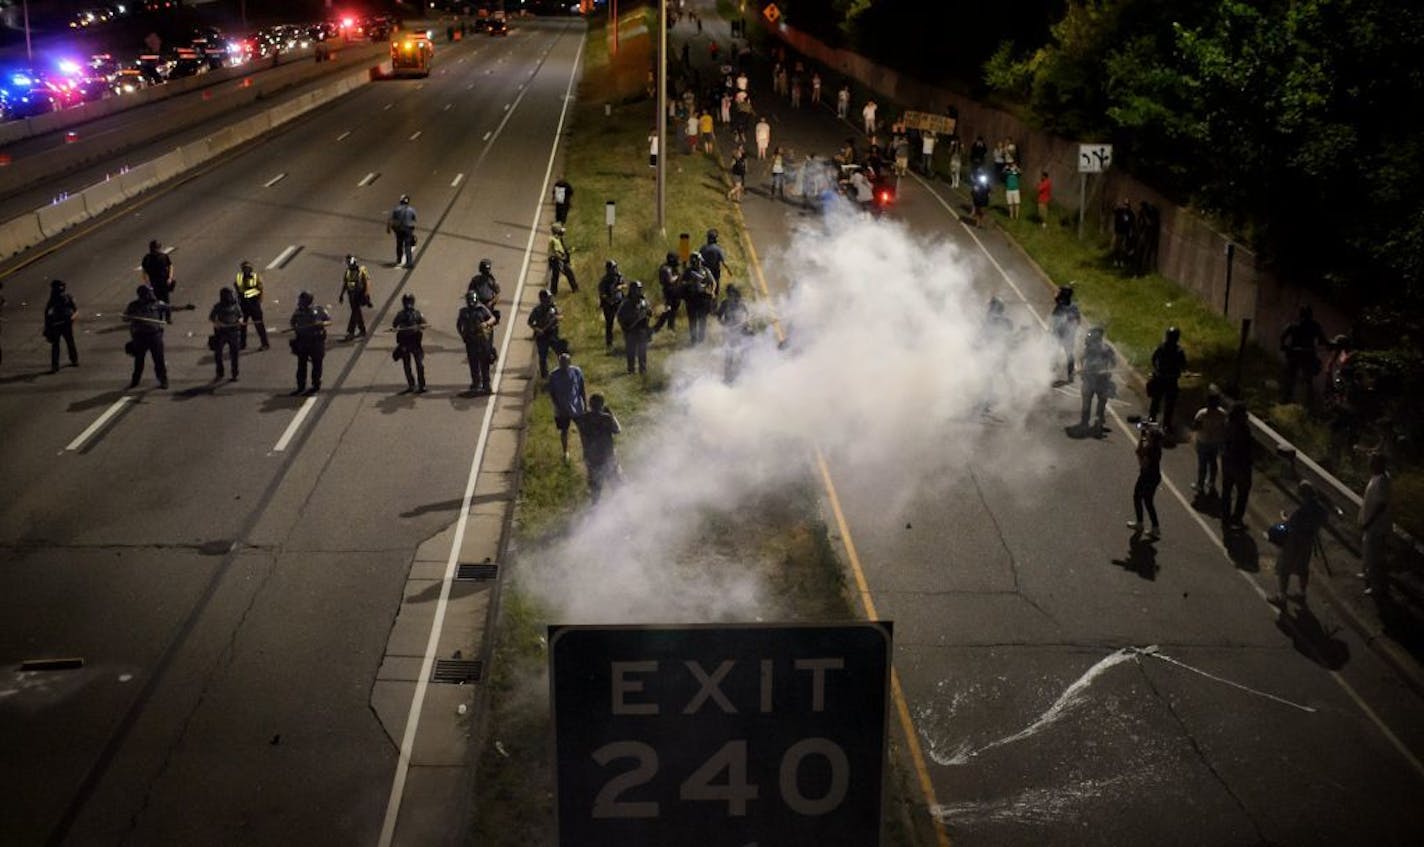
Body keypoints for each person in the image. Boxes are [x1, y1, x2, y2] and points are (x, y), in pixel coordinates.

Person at [1272, 481, 1328, 606]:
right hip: (1308, 541)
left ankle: (1282, 596)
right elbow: (1324, 521)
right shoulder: (1321, 509)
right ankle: (1302, 593)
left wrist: (1284, 517)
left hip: (1294, 541)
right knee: (1303, 568)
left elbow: (1290, 524)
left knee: (1284, 568)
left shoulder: (1300, 510)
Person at [575, 393, 621, 502]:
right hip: (607, 458)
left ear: (590, 404)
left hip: (591, 459)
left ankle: (595, 513)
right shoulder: (606, 418)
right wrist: (611, 414)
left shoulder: (583, 419)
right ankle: (622, 510)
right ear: (602, 405)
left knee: (595, 490)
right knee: (616, 486)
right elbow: (618, 429)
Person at [1358, 453, 1392, 598]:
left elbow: (1381, 505)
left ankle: (1377, 586)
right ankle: (1367, 574)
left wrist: (1369, 521)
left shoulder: (1382, 481)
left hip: (1377, 526)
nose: (1369, 465)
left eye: (1372, 462)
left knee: (1375, 556)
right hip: (1372, 525)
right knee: (1368, 551)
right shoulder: (1377, 477)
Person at [1279, 306, 1327, 404]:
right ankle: (1304, 402)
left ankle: (1288, 400)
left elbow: (1283, 336)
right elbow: (1322, 340)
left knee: (1293, 379)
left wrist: (1284, 346)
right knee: (1305, 380)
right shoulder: (1313, 326)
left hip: (1298, 354)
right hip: (1305, 355)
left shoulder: (1296, 325)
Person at [123, 285, 167, 390]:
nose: (151, 295)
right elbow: (125, 318)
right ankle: (135, 381)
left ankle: (163, 380)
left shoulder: (156, 304)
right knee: (139, 360)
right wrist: (129, 317)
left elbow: (169, 307)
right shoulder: (134, 305)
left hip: (154, 336)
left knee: (158, 360)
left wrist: (185, 307)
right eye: (149, 293)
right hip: (140, 337)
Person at [546, 351, 586, 462]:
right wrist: (558, 406)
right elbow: (552, 393)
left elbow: (582, 388)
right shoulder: (554, 375)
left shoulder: (577, 372)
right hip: (561, 409)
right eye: (561, 363)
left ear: (569, 362)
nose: (563, 365)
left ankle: (585, 450)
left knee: (582, 429)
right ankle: (565, 452)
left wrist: (585, 404)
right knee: (564, 430)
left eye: (565, 363)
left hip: (576, 406)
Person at [287, 290, 329, 395]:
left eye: (302, 300)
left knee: (317, 364)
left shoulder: (319, 310)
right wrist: (296, 328)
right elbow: (292, 322)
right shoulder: (298, 312)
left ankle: (316, 384)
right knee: (301, 365)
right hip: (303, 341)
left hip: (316, 342)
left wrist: (321, 323)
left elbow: (329, 321)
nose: (300, 302)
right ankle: (300, 386)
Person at [1219, 402, 1253, 528]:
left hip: (1227, 461)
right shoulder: (1243, 429)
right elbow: (1246, 447)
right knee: (1243, 493)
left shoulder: (1227, 424)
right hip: (1240, 464)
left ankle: (1225, 516)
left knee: (1227, 490)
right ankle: (1236, 518)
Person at [457, 290, 497, 394]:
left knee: (484, 363)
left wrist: (486, 323)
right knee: (473, 363)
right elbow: (459, 326)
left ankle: (486, 385)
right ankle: (476, 383)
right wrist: (463, 336)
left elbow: (493, 318)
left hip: (482, 341)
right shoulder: (463, 312)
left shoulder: (482, 309)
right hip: (470, 341)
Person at [1148, 327, 1187, 434]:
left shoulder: (1162, 347)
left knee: (1157, 402)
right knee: (1168, 404)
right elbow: (1183, 365)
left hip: (1162, 378)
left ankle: (1153, 420)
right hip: (1170, 380)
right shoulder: (1178, 350)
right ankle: (1164, 424)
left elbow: (1153, 359)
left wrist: (1156, 370)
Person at [1128, 423, 1164, 538]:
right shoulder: (1156, 448)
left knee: (1137, 497)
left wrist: (1139, 456)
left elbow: (1144, 465)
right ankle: (1155, 527)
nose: (1146, 435)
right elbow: (1140, 451)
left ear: (1152, 438)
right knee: (1148, 501)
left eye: (1148, 434)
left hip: (1147, 477)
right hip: (1154, 477)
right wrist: (1140, 442)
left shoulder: (1150, 449)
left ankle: (1140, 523)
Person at [1079, 326, 1116, 435]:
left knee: (1101, 402)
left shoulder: (1106, 349)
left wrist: (1106, 370)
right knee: (1087, 402)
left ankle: (1097, 421)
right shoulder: (1089, 349)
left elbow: (1113, 363)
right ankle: (1085, 422)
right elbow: (1081, 359)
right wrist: (1081, 369)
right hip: (1089, 379)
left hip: (1102, 379)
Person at [1191, 392, 1228, 496]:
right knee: (1213, 463)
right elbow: (1225, 428)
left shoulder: (1202, 414)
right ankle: (1211, 483)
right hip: (1216, 442)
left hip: (1203, 441)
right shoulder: (1222, 414)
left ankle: (1200, 484)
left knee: (1202, 464)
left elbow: (1195, 427)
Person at [392, 292, 428, 393]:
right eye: (406, 302)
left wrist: (420, 326)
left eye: (409, 302)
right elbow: (394, 324)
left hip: (415, 342)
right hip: (404, 343)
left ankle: (422, 385)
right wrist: (400, 326)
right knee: (407, 365)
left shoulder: (417, 313)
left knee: (419, 365)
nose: (408, 304)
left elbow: (424, 324)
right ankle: (411, 385)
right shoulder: (400, 314)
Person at [716, 283, 751, 383]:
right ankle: (727, 376)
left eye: (732, 293)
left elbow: (747, 316)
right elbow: (719, 316)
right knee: (729, 354)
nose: (730, 295)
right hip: (729, 332)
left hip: (740, 331)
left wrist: (746, 325)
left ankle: (740, 374)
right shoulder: (725, 303)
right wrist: (723, 324)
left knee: (741, 353)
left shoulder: (741, 304)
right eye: (728, 293)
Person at [617, 280, 652, 374]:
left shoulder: (643, 302)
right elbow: (620, 316)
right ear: (632, 290)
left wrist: (647, 314)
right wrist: (626, 326)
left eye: (640, 289)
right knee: (631, 352)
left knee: (642, 351)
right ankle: (631, 370)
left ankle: (643, 370)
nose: (639, 291)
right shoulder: (626, 303)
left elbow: (649, 312)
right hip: (630, 330)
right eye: (637, 289)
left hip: (642, 330)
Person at [43, 279, 79, 372]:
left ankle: (73, 359)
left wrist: (72, 318)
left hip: (64, 323)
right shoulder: (53, 300)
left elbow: (76, 310)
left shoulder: (67, 298)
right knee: (59, 344)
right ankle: (57, 364)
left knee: (68, 342)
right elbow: (47, 314)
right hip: (57, 324)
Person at [681, 252, 716, 345]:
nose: (697, 263)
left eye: (698, 261)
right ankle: (693, 339)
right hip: (691, 298)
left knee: (702, 319)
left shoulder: (705, 270)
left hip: (702, 298)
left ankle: (701, 338)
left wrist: (712, 291)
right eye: (695, 261)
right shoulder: (688, 272)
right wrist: (690, 282)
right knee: (692, 320)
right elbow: (681, 283)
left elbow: (712, 282)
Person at [234, 259, 270, 351]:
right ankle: (242, 344)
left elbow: (259, 290)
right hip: (244, 305)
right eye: (244, 268)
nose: (246, 270)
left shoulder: (255, 277)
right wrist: (248, 293)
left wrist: (248, 294)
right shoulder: (239, 277)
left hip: (254, 305)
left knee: (259, 325)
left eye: (248, 268)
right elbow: (239, 290)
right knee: (242, 326)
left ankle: (265, 344)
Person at [209, 286, 243, 381]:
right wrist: (218, 323)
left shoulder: (235, 306)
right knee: (218, 353)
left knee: (234, 354)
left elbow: (240, 316)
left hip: (233, 331)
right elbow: (212, 317)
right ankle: (220, 372)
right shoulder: (218, 306)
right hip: (221, 332)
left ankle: (234, 373)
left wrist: (240, 321)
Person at [527, 289, 561, 379]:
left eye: (550, 298)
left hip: (552, 334)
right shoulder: (537, 310)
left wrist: (556, 318)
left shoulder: (553, 308)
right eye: (547, 298)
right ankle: (544, 377)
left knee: (560, 353)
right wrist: (537, 329)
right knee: (543, 358)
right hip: (542, 336)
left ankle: (562, 372)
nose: (550, 300)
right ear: (542, 299)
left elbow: (559, 316)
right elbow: (530, 322)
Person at [1049, 286, 1080, 383]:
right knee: (1069, 355)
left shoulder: (1061, 305)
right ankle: (1070, 376)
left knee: (1054, 353)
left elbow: (1056, 298)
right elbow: (1078, 321)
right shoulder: (1073, 306)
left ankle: (1052, 374)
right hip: (1068, 335)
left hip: (1059, 334)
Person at [140, 240, 175, 323]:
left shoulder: (163, 256)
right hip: (154, 282)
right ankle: (159, 317)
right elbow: (144, 270)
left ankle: (168, 317)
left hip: (163, 281)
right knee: (156, 301)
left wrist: (170, 278)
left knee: (166, 300)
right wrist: (146, 282)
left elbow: (170, 266)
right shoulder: (147, 258)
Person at [338, 254, 371, 341]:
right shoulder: (348, 272)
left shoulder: (361, 270)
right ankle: (362, 330)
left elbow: (367, 282)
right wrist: (341, 295)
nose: (349, 265)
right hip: (351, 295)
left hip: (359, 294)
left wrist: (366, 294)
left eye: (349, 263)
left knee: (355, 313)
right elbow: (345, 283)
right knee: (356, 312)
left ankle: (351, 332)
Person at [597, 259, 626, 351]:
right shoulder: (604, 280)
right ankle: (609, 343)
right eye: (613, 268)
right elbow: (602, 293)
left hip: (619, 301)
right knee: (609, 323)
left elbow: (624, 284)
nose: (615, 270)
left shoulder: (618, 276)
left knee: (624, 321)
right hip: (608, 304)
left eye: (615, 267)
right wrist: (608, 299)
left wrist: (620, 287)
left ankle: (627, 339)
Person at [467, 258, 502, 329]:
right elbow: (470, 291)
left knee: (491, 318)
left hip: (488, 304)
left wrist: (491, 302)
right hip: (477, 302)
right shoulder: (475, 279)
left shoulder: (491, 280)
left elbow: (498, 293)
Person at [547, 223, 578, 294]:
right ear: (557, 231)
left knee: (555, 276)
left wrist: (569, 251)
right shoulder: (554, 240)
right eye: (561, 231)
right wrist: (564, 259)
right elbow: (557, 252)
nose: (563, 232)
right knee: (569, 273)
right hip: (557, 260)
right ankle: (575, 289)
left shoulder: (557, 238)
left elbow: (562, 249)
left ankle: (553, 292)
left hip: (555, 260)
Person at [388, 195, 417, 268]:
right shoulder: (411, 209)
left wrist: (388, 228)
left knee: (399, 244)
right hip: (408, 229)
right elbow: (414, 219)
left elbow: (391, 219)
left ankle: (399, 259)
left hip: (399, 229)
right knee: (408, 245)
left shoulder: (396, 209)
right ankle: (409, 262)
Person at [656, 251, 682, 332]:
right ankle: (657, 327)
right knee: (669, 310)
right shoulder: (666, 269)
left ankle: (670, 327)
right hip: (669, 292)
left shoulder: (670, 267)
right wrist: (678, 276)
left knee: (673, 311)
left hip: (674, 291)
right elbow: (670, 280)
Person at [1111, 199, 1135, 267]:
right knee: (1116, 247)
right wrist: (1115, 205)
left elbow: (1132, 223)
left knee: (1123, 248)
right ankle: (1115, 260)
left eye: (1127, 205)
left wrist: (1131, 231)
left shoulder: (1130, 213)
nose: (1125, 206)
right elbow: (1113, 210)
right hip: (1118, 232)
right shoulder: (1119, 211)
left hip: (1125, 233)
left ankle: (1122, 261)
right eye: (1124, 204)